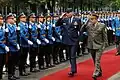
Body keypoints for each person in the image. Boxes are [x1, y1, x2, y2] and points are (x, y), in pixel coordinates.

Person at [81, 14, 108, 79]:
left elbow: (105, 35)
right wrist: (87, 21)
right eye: (90, 19)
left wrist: (105, 44)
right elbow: (82, 29)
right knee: (94, 60)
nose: (91, 20)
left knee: (97, 59)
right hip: (91, 45)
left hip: (99, 45)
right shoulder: (89, 25)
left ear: (96, 19)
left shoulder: (102, 25)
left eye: (92, 19)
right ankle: (99, 71)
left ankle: (95, 73)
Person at [56, 8, 81, 77]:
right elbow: (57, 24)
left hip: (74, 40)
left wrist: (80, 40)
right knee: (70, 55)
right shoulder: (64, 20)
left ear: (72, 13)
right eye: (67, 13)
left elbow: (80, 30)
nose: (68, 14)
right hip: (67, 40)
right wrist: (61, 17)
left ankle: (72, 70)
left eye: (69, 12)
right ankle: (73, 69)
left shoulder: (77, 20)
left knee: (73, 55)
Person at [6, 13, 20, 80]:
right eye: (12, 18)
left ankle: (13, 74)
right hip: (11, 47)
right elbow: (9, 38)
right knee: (10, 62)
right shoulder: (7, 27)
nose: (14, 19)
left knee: (14, 62)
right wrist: (15, 44)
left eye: (13, 18)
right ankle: (10, 75)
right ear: (8, 20)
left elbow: (16, 37)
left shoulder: (14, 26)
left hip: (15, 47)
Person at [0, 14, 9, 80]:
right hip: (0, 49)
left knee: (3, 62)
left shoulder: (3, 28)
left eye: (2, 19)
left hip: (3, 49)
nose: (2, 20)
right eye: (0, 19)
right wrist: (4, 46)